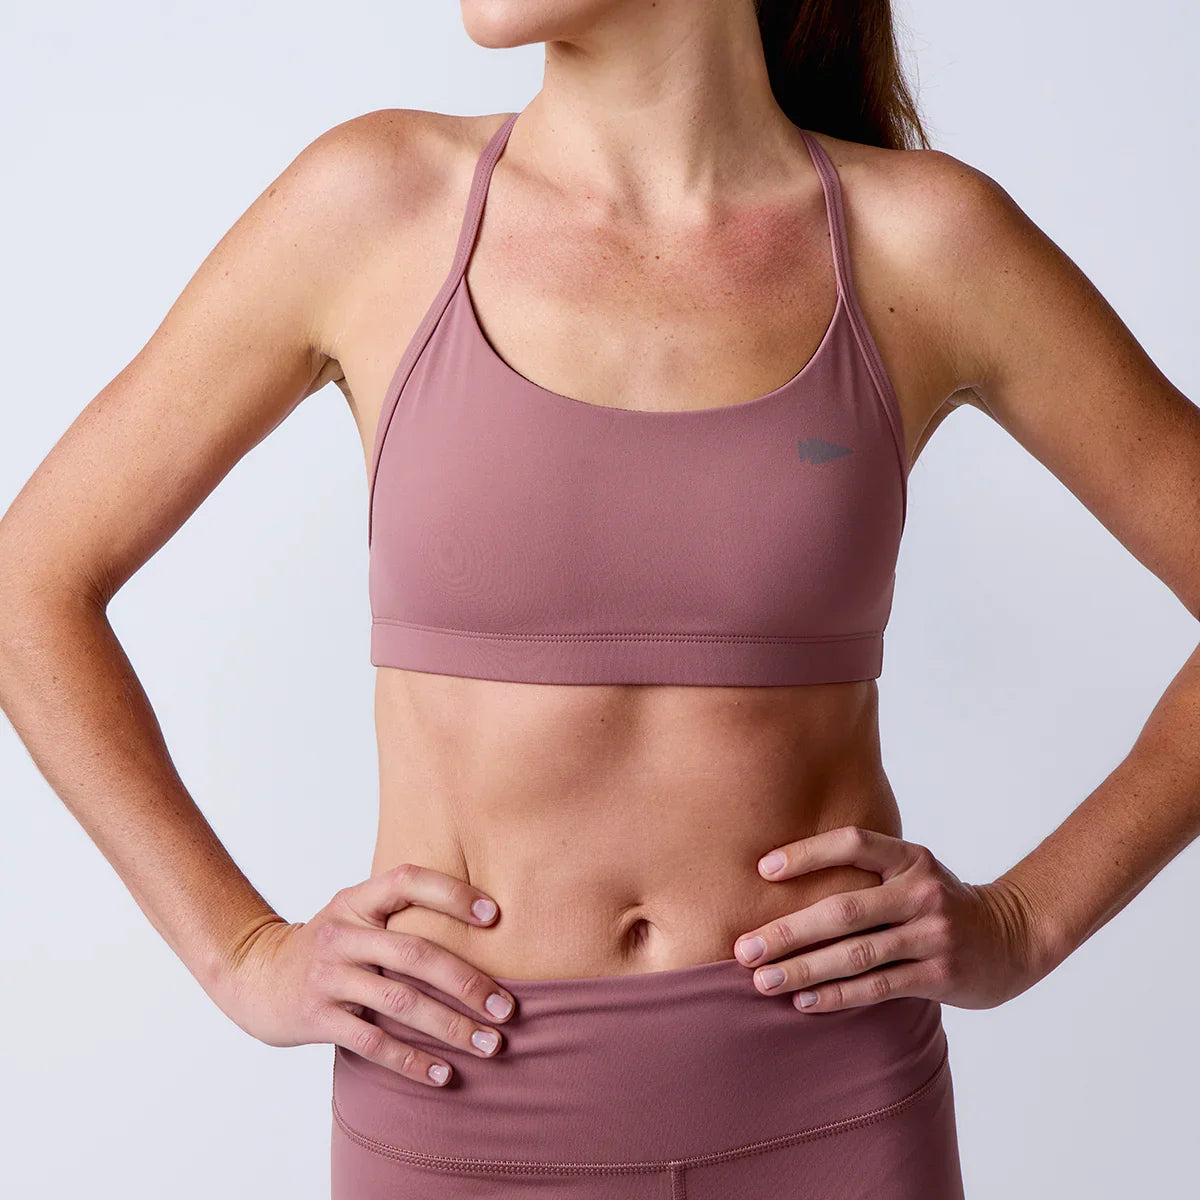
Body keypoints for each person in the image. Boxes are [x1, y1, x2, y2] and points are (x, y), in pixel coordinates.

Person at [2, 2, 1198, 1198]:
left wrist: (1026, 923)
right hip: (455, 1099)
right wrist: (241, 952)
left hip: (831, 1103)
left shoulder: (923, 242)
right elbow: (30, 583)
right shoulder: (375, 207)